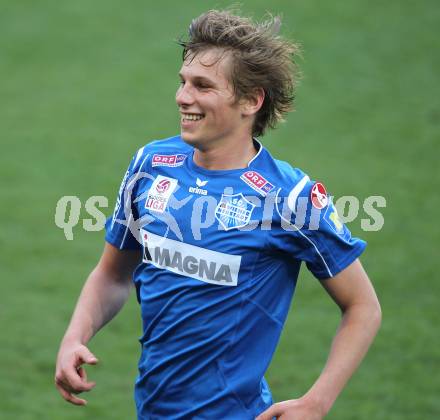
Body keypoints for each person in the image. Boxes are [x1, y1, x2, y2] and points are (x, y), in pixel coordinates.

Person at [55, 9, 381, 420]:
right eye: (183, 82)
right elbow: (112, 274)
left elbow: (363, 307)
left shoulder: (289, 197)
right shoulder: (151, 165)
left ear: (251, 100)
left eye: (202, 86)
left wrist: (316, 402)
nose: (182, 97)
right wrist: (74, 336)